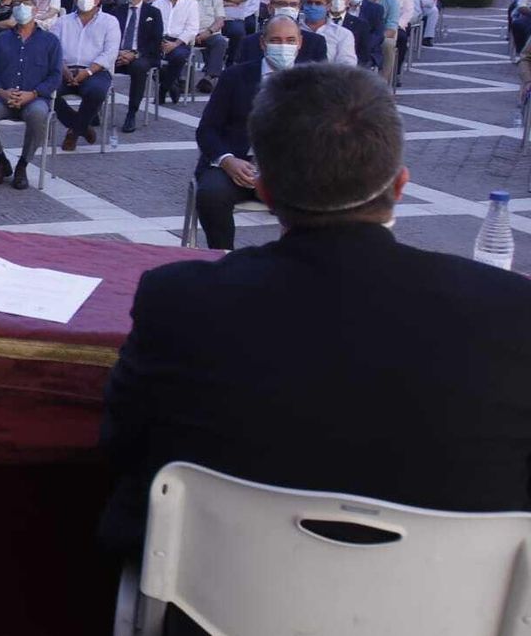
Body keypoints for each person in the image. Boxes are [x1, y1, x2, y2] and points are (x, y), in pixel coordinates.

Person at [100, 61, 531, 566]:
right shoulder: (511, 311)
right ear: (400, 185)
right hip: (450, 595)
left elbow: (121, 444)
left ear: (265, 191)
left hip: (212, 588)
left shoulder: (178, 298)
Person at [191, 17, 304, 250]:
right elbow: (207, 129)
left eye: (290, 40)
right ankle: (224, 258)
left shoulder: (314, 82)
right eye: (276, 40)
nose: (283, 46)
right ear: (263, 43)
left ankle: (295, 262)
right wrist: (226, 160)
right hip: (236, 166)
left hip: (288, 173)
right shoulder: (235, 77)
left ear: (300, 43)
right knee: (211, 194)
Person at [0, 0, 61, 190]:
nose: (22, 7)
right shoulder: (2, 39)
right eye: (17, 3)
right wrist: (2, 92)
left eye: (27, 2)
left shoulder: (50, 41)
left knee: (39, 114)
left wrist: (33, 94)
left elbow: (55, 76)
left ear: (36, 8)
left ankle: (23, 164)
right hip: (3, 97)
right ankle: (1, 161)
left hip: (34, 98)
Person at [53, 0, 119, 151]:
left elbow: (110, 53)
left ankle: (74, 132)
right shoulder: (63, 21)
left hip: (96, 71)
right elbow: (53, 49)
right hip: (65, 70)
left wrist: (88, 71)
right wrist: (63, 68)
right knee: (45, 91)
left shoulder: (110, 22)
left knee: (96, 92)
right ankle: (81, 126)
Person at [105, 0, 164, 134]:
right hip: (118, 53)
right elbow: (108, 35)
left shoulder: (153, 12)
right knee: (99, 65)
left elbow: (155, 41)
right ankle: (94, 109)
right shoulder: (117, 11)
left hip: (142, 56)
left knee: (139, 68)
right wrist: (117, 52)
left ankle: (132, 113)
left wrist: (135, 53)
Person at [150, 0, 197, 103]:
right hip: (160, 40)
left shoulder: (191, 4)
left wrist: (175, 44)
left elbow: (192, 29)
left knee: (179, 57)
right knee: (148, 58)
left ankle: (163, 88)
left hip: (180, 42)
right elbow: (151, 26)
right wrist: (159, 41)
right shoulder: (157, 4)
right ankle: (172, 85)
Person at [188, 0, 227, 93]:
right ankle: (182, 80)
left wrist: (208, 32)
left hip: (209, 33)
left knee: (220, 41)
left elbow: (220, 21)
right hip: (188, 33)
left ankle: (209, 77)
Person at [300, 0, 357, 66]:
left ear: (328, 6)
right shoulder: (294, 30)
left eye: (318, 3)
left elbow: (347, 64)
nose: (313, 6)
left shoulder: (343, 34)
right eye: (309, 2)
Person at [328, 0, 372, 68]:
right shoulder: (321, 21)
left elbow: (364, 55)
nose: (338, 0)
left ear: (348, 0)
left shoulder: (361, 25)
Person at [347, 0, 386, 68]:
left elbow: (377, 34)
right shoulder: (340, 8)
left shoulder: (376, 9)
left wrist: (360, 47)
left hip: (366, 51)